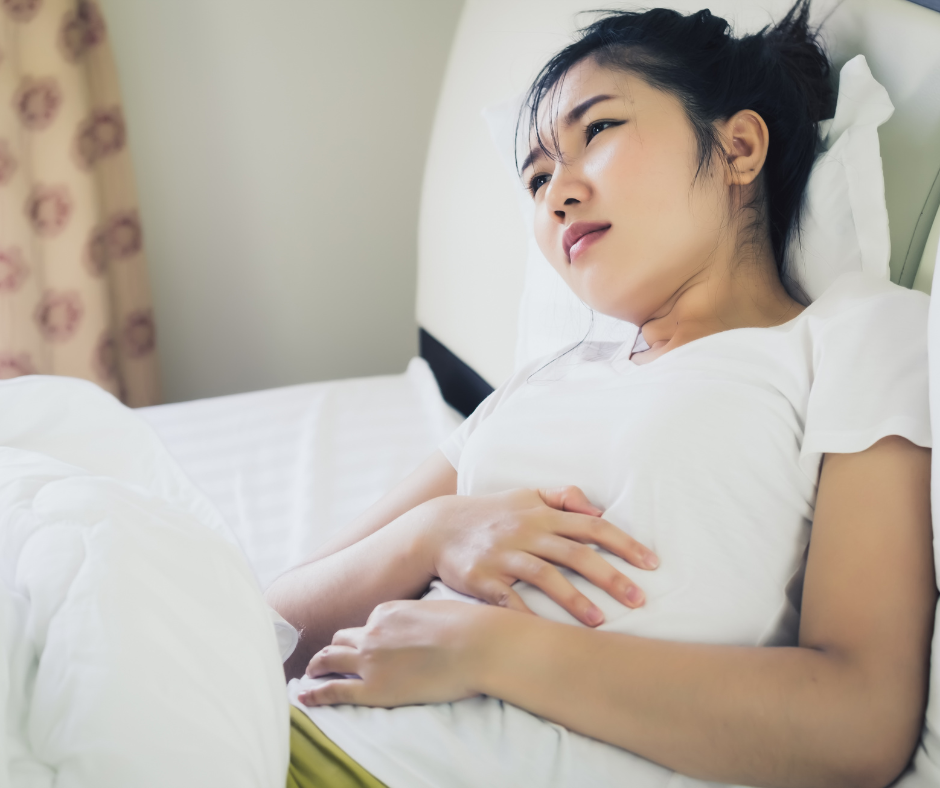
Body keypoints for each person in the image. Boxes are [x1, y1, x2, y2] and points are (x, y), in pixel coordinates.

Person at [266, 3, 935, 786]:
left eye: (599, 130)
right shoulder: (542, 381)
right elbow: (267, 626)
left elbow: (860, 720)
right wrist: (431, 533)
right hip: (278, 736)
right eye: (536, 178)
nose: (556, 193)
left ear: (739, 147)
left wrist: (489, 649)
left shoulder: (857, 333)